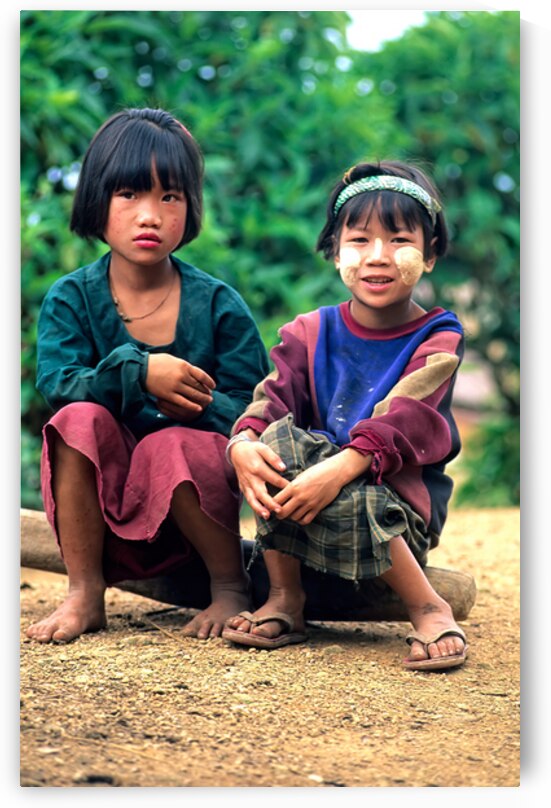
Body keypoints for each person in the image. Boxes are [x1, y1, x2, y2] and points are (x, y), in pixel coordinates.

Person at [26, 107, 269, 644]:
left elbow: (259, 409)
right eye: (130, 194)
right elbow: (58, 384)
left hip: (193, 520)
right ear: (97, 199)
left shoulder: (218, 306)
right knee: (79, 418)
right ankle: (85, 592)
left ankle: (229, 585)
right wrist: (139, 373)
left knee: (170, 447)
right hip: (104, 516)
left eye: (170, 196)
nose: (150, 215)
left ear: (190, 207)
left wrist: (199, 408)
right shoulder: (72, 298)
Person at [222, 160, 469, 671]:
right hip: (306, 507)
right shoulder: (307, 332)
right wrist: (243, 443)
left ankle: (427, 605)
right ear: (336, 252)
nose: (378, 256)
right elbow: (270, 401)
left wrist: (339, 468)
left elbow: (405, 415)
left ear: (430, 256)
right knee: (272, 445)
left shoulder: (439, 337)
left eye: (399, 239)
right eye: (359, 240)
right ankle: (286, 598)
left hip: (393, 513)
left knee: (353, 486)